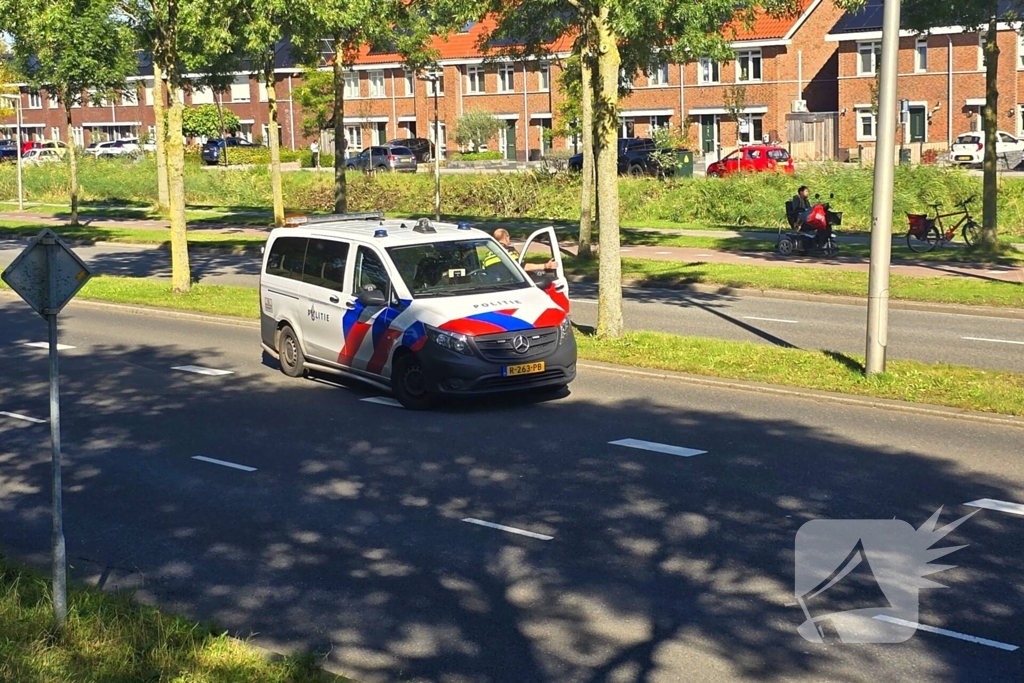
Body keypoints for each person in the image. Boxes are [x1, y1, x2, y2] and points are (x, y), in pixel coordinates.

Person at [492, 228, 557, 272]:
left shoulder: (489, 254)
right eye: (508, 237)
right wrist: (545, 266)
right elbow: (522, 267)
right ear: (506, 238)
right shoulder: (509, 252)